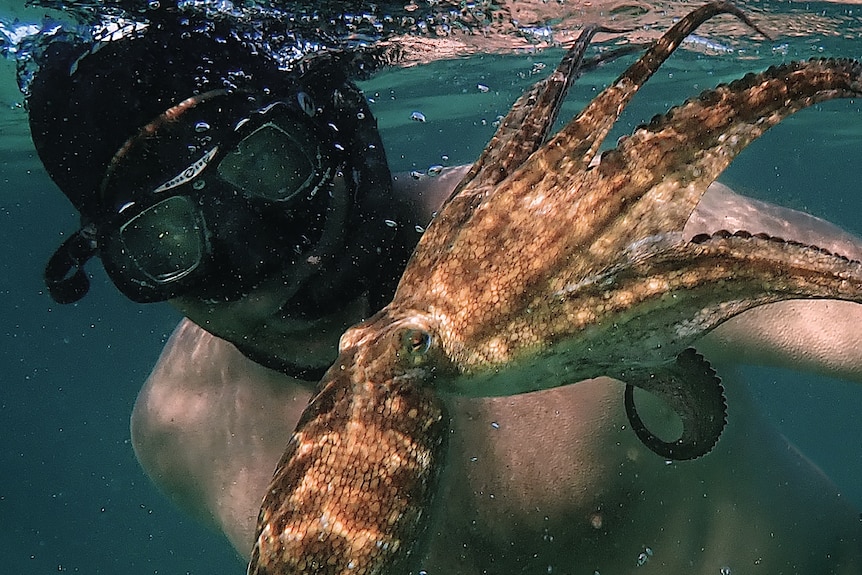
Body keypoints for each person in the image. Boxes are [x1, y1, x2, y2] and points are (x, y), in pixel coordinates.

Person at [24, 4, 862, 573]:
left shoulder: (575, 229)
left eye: (268, 166)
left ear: (334, 125)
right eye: (166, 238)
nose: (256, 254)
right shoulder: (179, 428)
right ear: (116, 265)